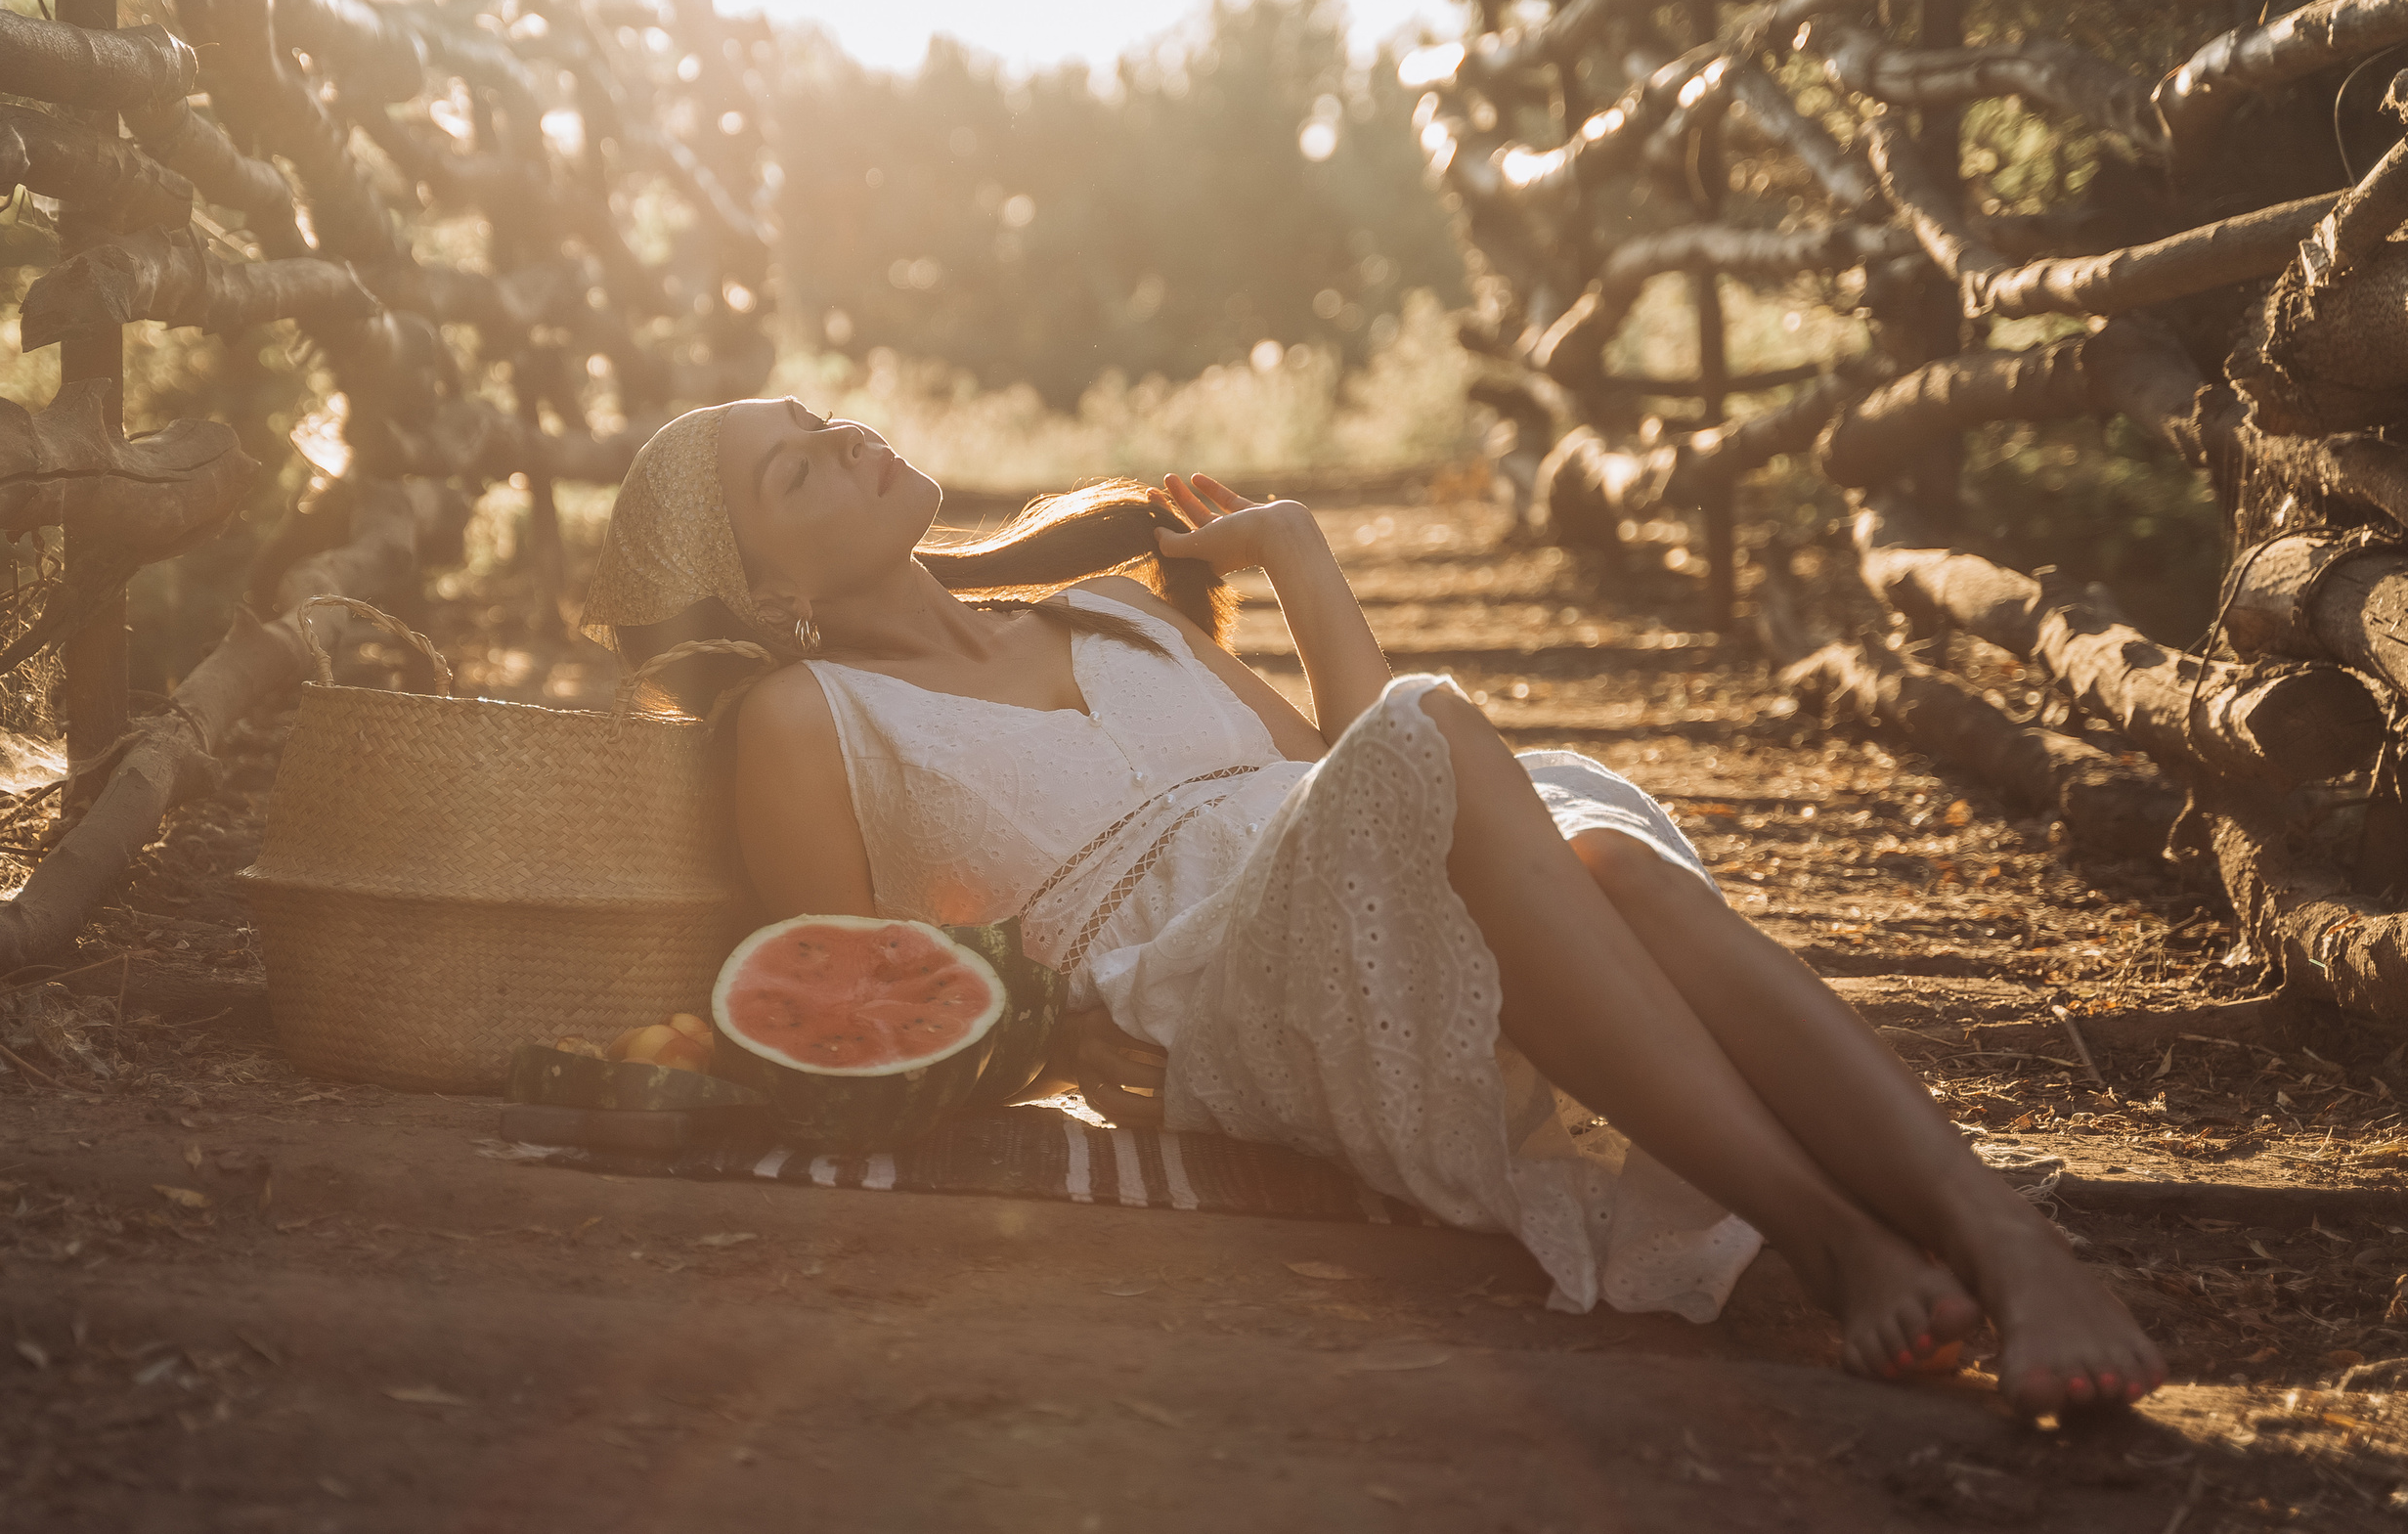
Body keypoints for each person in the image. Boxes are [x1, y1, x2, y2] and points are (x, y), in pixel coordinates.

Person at [581, 397, 2166, 1417]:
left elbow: (1349, 773)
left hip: (1343, 885)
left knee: (1589, 850)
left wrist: (1300, 562)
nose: (846, 434)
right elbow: (873, 992)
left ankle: (1987, 1237)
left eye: (818, 415)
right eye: (799, 468)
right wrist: (1062, 1021)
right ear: (770, 589)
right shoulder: (808, 717)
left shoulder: (1110, 617)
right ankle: (1839, 1237)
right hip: (1192, 992)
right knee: (1459, 747)